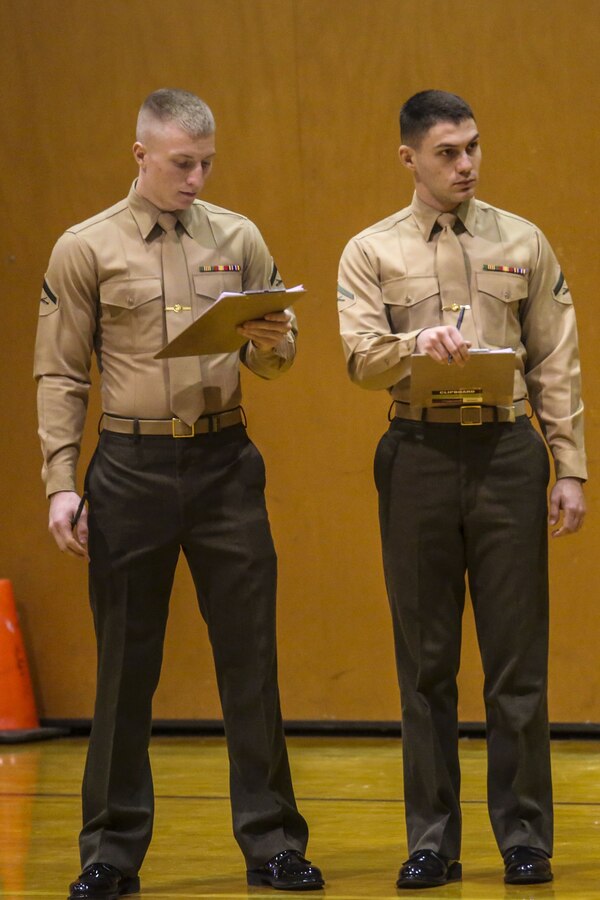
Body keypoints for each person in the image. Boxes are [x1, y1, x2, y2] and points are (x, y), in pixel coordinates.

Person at [35, 88, 324, 899]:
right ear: (141, 155)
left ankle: (271, 843)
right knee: (126, 666)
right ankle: (110, 853)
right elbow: (59, 372)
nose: (197, 178)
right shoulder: (84, 247)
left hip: (225, 461)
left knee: (250, 661)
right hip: (129, 469)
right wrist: (63, 483)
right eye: (181, 163)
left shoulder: (239, 238)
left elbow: (277, 356)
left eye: (206, 163)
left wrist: (274, 343)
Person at [337, 90, 586, 889]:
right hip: (417, 453)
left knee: (517, 662)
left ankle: (524, 837)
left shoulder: (524, 241)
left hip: (507, 451)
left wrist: (570, 466)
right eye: (447, 152)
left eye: (473, 147)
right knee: (426, 664)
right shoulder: (370, 251)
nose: (466, 164)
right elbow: (358, 357)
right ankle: (432, 840)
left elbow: (557, 360)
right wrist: (415, 342)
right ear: (408, 158)